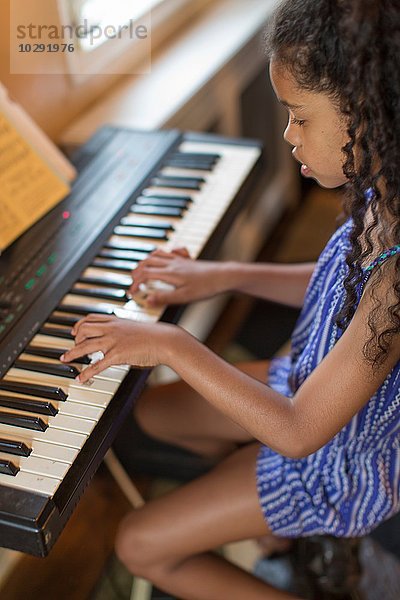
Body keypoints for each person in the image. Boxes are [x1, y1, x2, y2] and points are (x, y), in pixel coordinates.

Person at [60, 0, 400, 598]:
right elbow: (337, 286)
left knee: (137, 544)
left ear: (369, 114)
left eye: (299, 117)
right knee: (152, 415)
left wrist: (169, 342)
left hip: (332, 462)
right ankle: (266, 524)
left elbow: (298, 433)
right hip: (302, 382)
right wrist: (223, 275)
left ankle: (281, 522)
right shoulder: (383, 193)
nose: (289, 135)